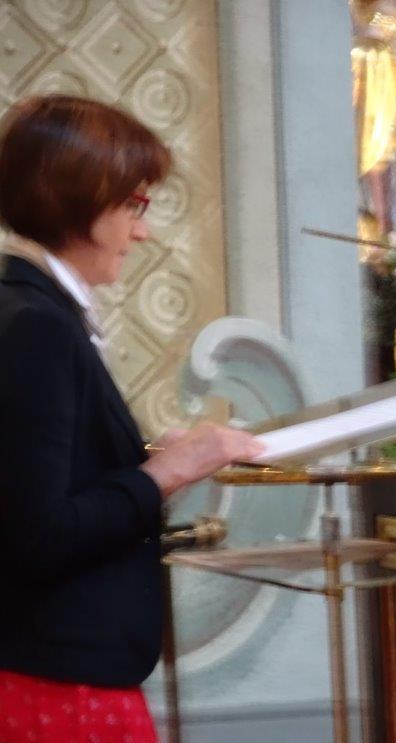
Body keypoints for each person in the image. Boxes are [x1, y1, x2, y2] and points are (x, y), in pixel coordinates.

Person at [0, 95, 264, 742]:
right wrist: (166, 473)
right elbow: (37, 535)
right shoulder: (37, 325)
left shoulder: (38, 310)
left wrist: (148, 460)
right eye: (132, 206)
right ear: (78, 199)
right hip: (56, 685)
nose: (141, 232)